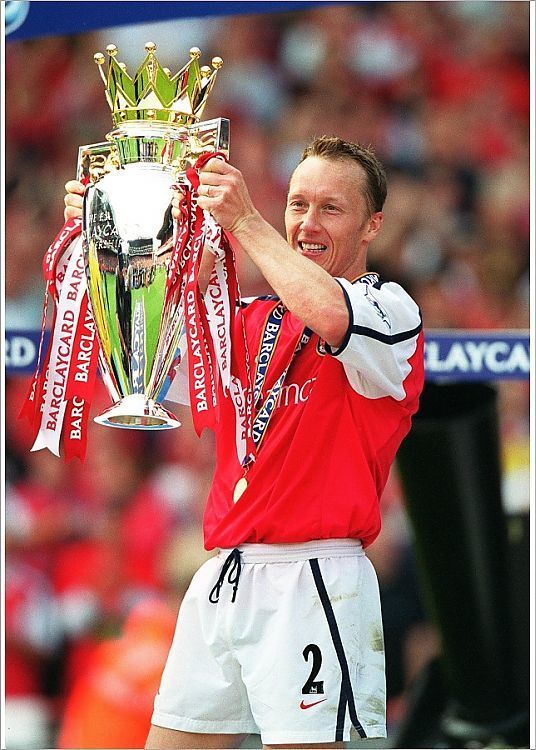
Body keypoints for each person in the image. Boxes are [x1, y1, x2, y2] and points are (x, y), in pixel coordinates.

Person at [64, 136, 424, 749]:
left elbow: (331, 316)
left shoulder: (388, 309)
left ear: (373, 225)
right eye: (297, 204)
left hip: (315, 577)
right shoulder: (250, 316)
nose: (307, 223)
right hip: (225, 574)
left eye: (330, 209)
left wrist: (246, 222)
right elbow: (141, 361)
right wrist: (106, 244)